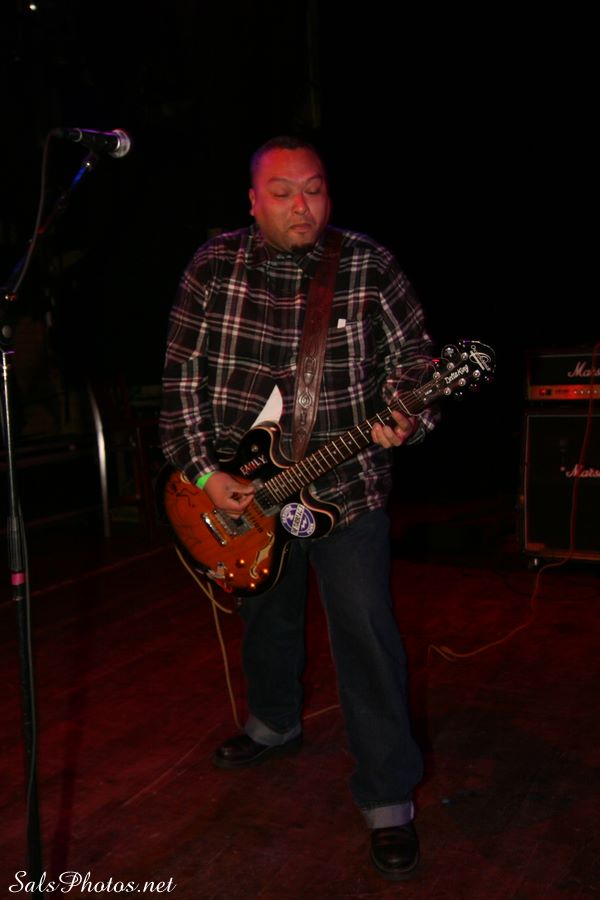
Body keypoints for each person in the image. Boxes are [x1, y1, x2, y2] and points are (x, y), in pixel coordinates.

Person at [160, 135, 438, 881]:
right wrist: (203, 473)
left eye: (313, 189)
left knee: (367, 635)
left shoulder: (369, 266)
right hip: (246, 495)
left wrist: (407, 413)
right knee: (266, 617)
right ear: (252, 202)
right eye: (282, 193)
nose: (300, 206)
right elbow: (181, 380)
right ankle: (275, 721)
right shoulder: (213, 267)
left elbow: (415, 363)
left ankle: (388, 798)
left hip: (346, 489)